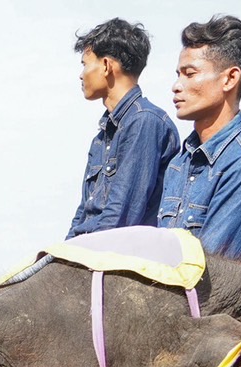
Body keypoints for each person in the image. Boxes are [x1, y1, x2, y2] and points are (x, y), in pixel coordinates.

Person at [156, 15, 241, 261]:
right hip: (168, 296)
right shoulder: (178, 164)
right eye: (178, 74)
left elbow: (204, 267)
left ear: (229, 79)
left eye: (189, 74)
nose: (176, 85)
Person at [67, 18, 181, 238]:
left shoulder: (144, 121)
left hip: (112, 254)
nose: (81, 74)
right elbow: (84, 210)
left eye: (85, 64)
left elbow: (122, 216)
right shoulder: (102, 136)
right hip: (87, 248)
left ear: (107, 65)